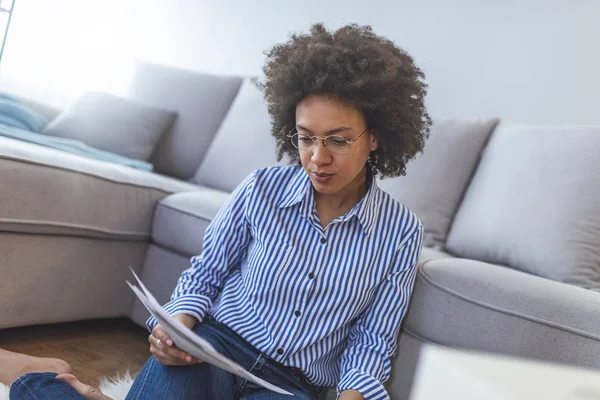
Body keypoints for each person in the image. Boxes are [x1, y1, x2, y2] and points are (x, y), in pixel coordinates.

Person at [4, 23, 430, 400]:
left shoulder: (401, 232)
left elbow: (372, 341)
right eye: (305, 138)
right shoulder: (261, 188)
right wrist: (175, 330)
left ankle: (45, 386)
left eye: (338, 141)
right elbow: (206, 273)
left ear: (375, 137)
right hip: (210, 351)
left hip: (289, 387)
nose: (317, 158)